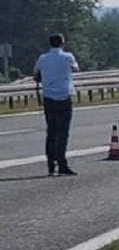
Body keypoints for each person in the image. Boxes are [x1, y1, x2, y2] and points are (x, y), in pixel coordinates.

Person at [34, 34, 80, 176]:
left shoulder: (42, 58)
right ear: (62, 43)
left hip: (48, 98)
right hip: (64, 97)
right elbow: (76, 69)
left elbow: (36, 75)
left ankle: (50, 164)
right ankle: (62, 164)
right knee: (62, 133)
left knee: (51, 131)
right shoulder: (68, 57)